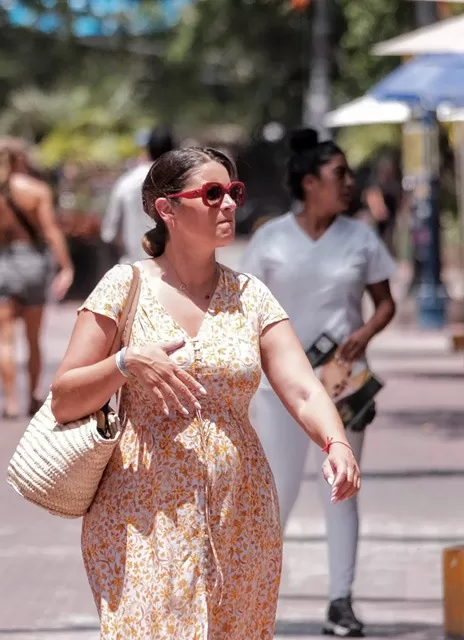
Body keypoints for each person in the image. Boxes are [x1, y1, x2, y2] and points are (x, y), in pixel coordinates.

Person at [50, 147, 361, 639]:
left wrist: (336, 442)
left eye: (233, 192)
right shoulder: (123, 287)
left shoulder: (250, 296)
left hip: (240, 510)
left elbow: (302, 388)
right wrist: (125, 363)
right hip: (141, 513)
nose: (229, 205)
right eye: (212, 193)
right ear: (166, 209)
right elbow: (64, 396)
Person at [241, 129, 396, 638]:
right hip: (278, 385)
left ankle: (340, 602)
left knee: (342, 489)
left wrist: (365, 332)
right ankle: (250, 597)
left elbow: (385, 302)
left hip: (341, 381)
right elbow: (244, 310)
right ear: (310, 183)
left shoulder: (360, 237)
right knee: (275, 495)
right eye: (339, 175)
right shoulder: (271, 239)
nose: (349, 184)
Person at [0, 136, 74, 419]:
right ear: (20, 160)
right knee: (33, 339)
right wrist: (66, 267)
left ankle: (9, 402)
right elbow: (51, 230)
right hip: (33, 262)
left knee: (4, 340)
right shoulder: (37, 190)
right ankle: (31, 398)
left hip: (5, 261)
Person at [100, 126, 175, 264]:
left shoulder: (126, 182)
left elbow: (109, 232)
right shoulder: (181, 182)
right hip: (175, 273)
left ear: (148, 149)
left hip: (133, 268)